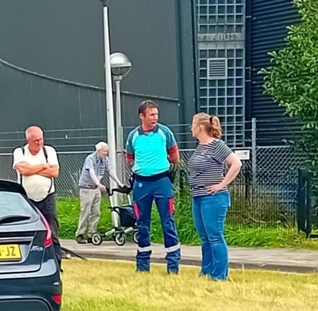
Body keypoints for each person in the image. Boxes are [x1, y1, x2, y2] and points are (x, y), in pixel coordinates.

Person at [125, 101, 181, 274]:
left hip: (162, 182)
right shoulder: (133, 136)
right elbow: (129, 160)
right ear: (142, 116)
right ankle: (142, 266)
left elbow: (175, 157)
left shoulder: (165, 133)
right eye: (151, 115)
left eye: (156, 114)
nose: (155, 118)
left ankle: (173, 266)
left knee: (168, 222)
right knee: (142, 223)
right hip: (141, 184)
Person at [188, 113, 242, 281]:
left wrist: (221, 184)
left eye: (193, 124)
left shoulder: (217, 145)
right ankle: (207, 271)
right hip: (198, 196)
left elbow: (236, 163)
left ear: (200, 127)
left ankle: (219, 276)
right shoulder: (200, 147)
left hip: (213, 198)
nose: (191, 128)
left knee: (215, 236)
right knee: (205, 237)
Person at [14, 126, 61, 261]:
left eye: (41, 139)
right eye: (35, 141)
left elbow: (54, 172)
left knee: (52, 231)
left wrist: (32, 169)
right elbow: (23, 170)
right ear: (28, 140)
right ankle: (29, 260)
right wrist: (44, 166)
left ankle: (56, 262)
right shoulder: (20, 152)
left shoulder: (49, 151)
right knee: (28, 230)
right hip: (27, 198)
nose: (39, 143)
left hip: (47, 197)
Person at [76, 142, 112, 243]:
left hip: (96, 188)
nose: (106, 153)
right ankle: (80, 234)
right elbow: (91, 172)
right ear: (98, 151)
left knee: (96, 212)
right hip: (87, 188)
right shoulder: (90, 158)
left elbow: (110, 171)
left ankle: (92, 234)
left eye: (107, 151)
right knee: (86, 211)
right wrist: (98, 184)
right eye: (104, 151)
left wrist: (120, 184)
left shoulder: (105, 160)